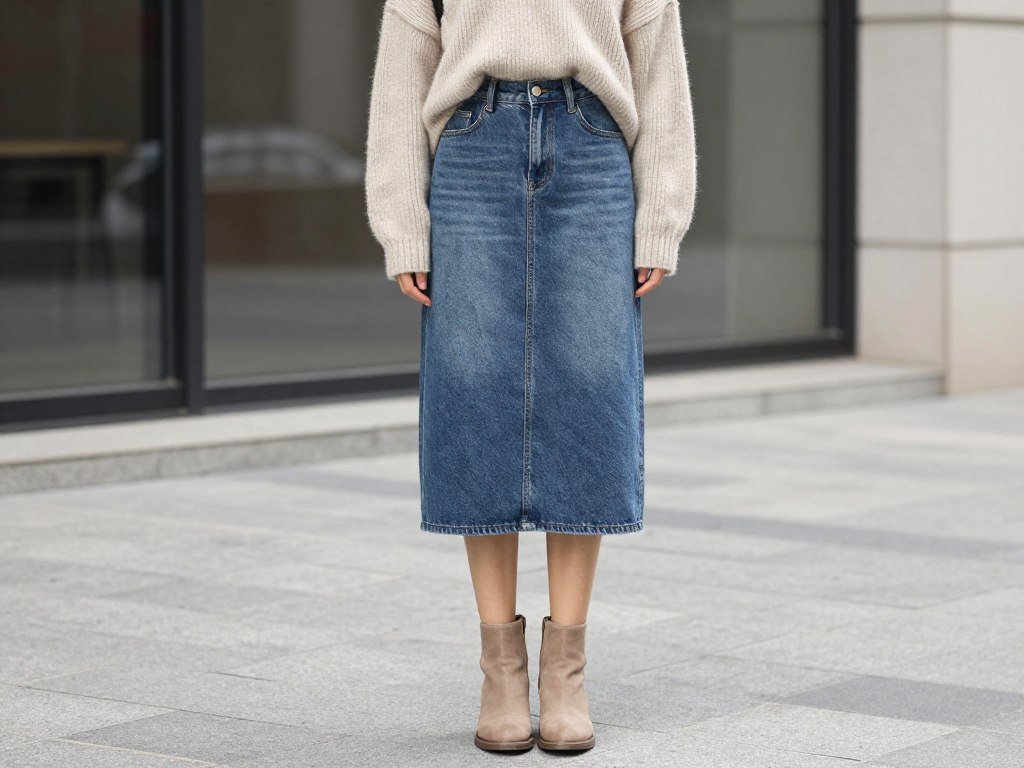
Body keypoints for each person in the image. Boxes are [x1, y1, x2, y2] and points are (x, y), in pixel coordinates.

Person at [364, 0, 696, 753]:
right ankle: (501, 670)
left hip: (594, 146)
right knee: (474, 388)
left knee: (589, 388)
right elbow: (401, 72)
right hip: (473, 149)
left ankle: (565, 671)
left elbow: (659, 67)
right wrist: (401, 222)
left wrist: (662, 216)